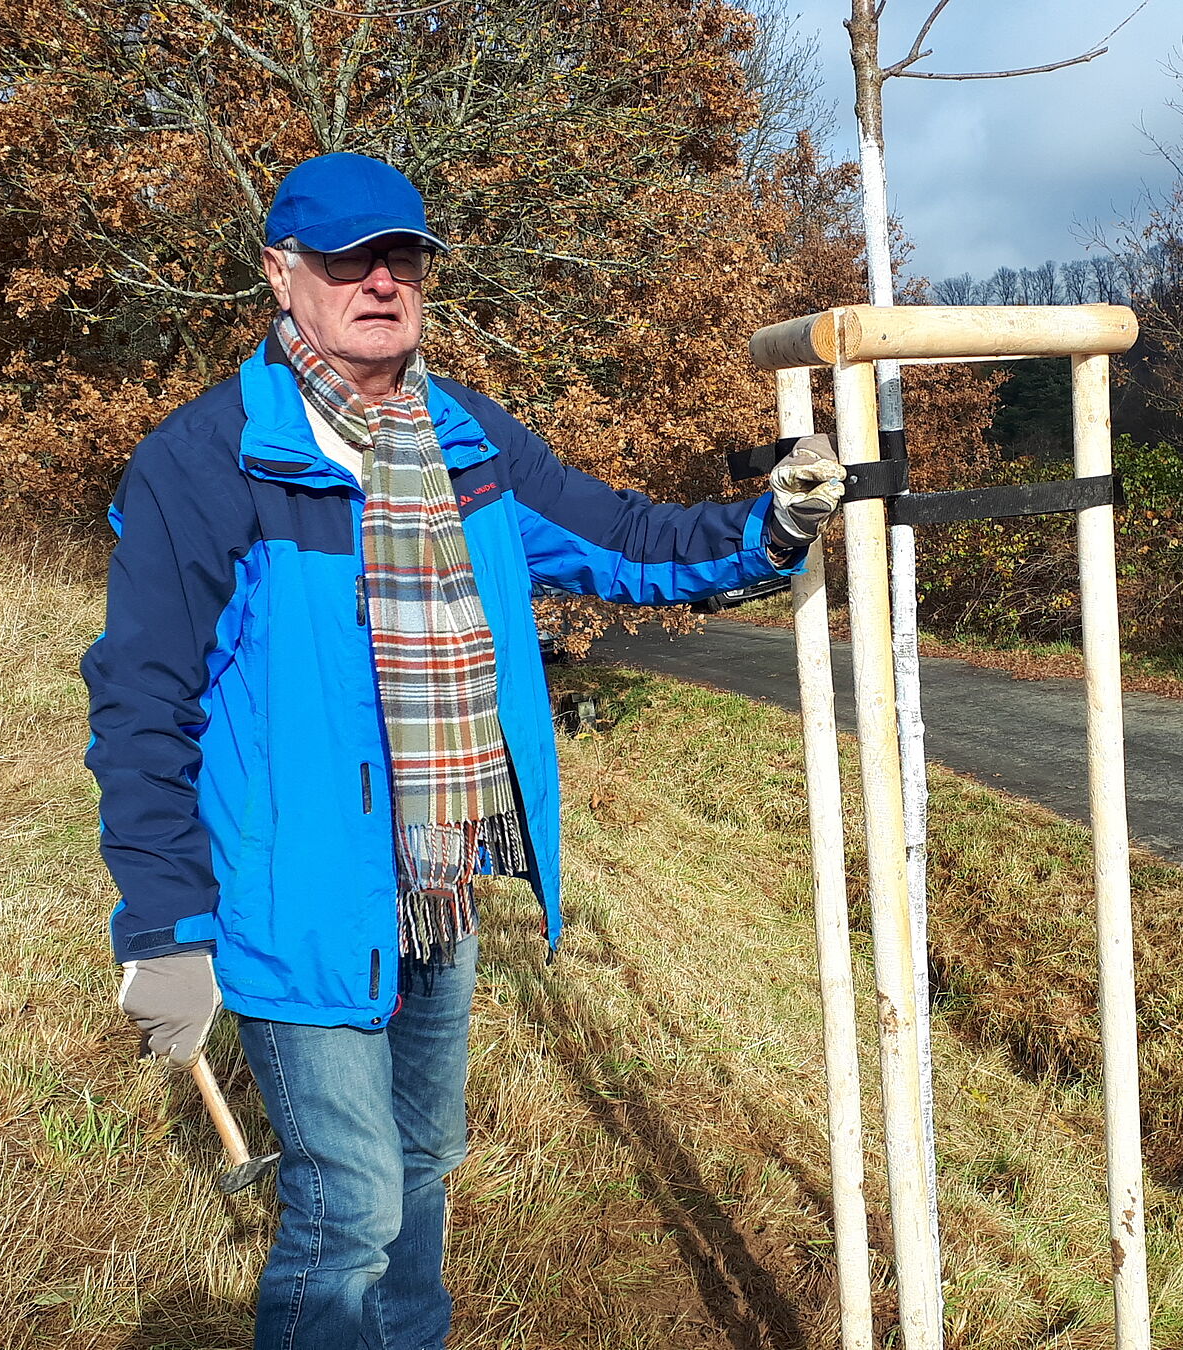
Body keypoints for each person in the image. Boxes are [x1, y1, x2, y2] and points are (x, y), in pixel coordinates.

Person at [81, 151, 844, 1349]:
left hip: (439, 875)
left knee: (426, 1160)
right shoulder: (206, 461)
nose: (380, 282)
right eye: (346, 260)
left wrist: (774, 525)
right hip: (298, 897)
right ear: (283, 277)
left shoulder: (467, 438)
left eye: (404, 256)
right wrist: (165, 926)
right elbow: (140, 704)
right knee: (349, 1211)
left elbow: (627, 541)